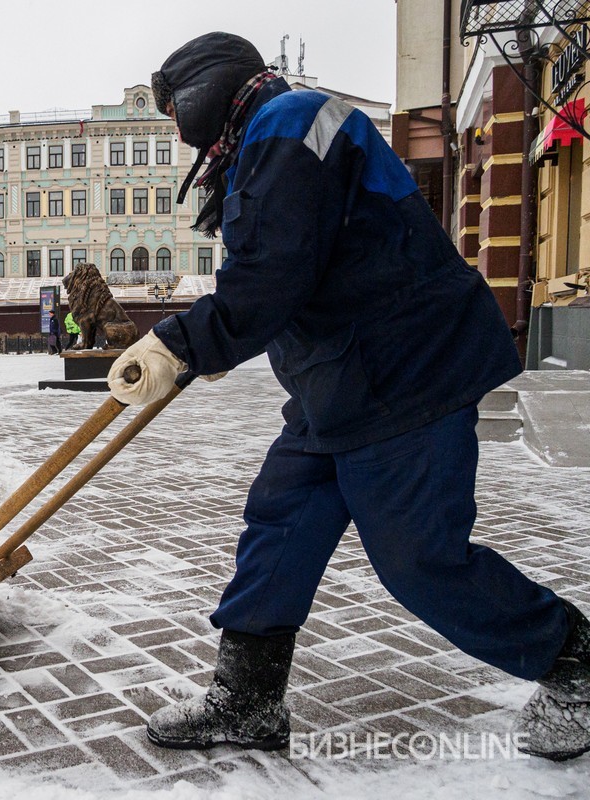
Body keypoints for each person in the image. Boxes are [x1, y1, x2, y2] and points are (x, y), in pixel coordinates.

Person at [106, 31, 590, 761]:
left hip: (404, 375)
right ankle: (249, 699)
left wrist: (180, 343)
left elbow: (274, 273)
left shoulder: (287, 127)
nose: (178, 132)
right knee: (282, 518)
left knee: (418, 557)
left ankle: (576, 665)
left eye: (175, 112)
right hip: (339, 381)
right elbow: (290, 272)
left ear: (203, 94)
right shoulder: (270, 131)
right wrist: (206, 343)